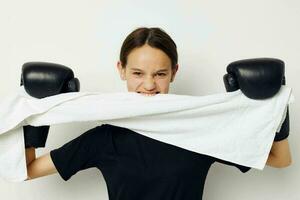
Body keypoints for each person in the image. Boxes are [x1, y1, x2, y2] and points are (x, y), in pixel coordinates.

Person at [25, 27, 292, 199]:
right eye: (138, 73)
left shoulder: (201, 129)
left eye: (160, 74)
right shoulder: (105, 139)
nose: (150, 85)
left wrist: (272, 101)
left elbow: (281, 159)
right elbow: (27, 170)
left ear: (174, 72)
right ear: (121, 70)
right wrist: (35, 109)